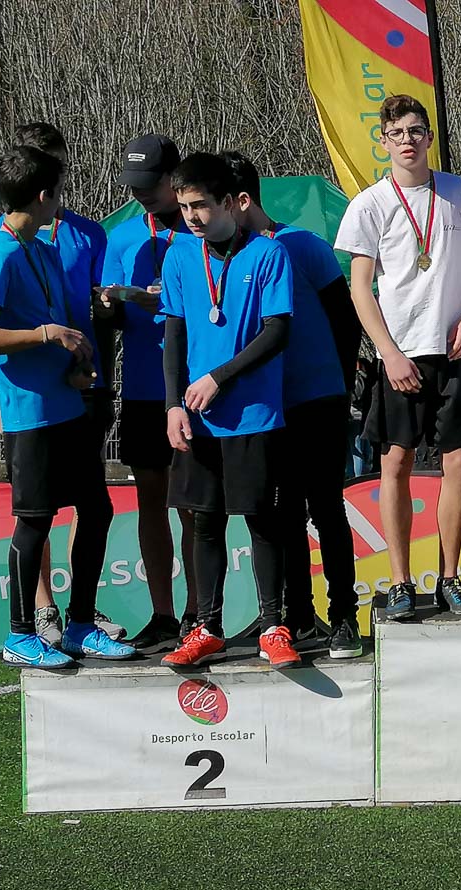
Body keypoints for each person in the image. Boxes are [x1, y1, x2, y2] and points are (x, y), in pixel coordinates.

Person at [0, 146, 135, 667]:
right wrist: (45, 334)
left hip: (67, 403)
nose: (60, 201)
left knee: (97, 509)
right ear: (43, 196)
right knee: (35, 521)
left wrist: (76, 363)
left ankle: (81, 624)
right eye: (58, 192)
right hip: (29, 412)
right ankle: (20, 634)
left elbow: (64, 322)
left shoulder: (42, 249)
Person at [335, 94, 461, 620]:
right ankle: (400, 581)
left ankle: (450, 576)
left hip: (454, 348)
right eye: (397, 133)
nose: (407, 140)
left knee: (458, 462)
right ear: (383, 141)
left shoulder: (458, 192)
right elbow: (360, 288)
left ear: (429, 137)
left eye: (416, 131)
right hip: (399, 354)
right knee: (395, 461)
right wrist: (388, 353)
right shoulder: (369, 204)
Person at [158, 152, 300, 670]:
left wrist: (219, 377)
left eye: (200, 206)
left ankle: (273, 625)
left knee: (262, 520)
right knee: (204, 521)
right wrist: (173, 404)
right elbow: (174, 334)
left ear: (229, 202)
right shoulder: (179, 255)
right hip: (197, 416)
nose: (192, 217)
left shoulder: (268, 253)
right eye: (184, 207)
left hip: (254, 414)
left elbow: (277, 332)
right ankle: (207, 627)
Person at [223, 150, 363, 659]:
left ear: (241, 201)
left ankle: (344, 616)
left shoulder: (302, 245)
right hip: (264, 407)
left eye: (216, 202)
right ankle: (295, 616)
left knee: (325, 507)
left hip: (318, 398)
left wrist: (338, 389)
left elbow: (345, 322)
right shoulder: (226, 259)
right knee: (280, 514)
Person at [98, 134, 198, 651]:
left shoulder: (201, 228)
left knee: (194, 505)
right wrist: (113, 304)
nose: (141, 194)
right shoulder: (122, 238)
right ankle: (163, 614)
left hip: (194, 387)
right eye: (133, 185)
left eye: (150, 184)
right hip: (142, 387)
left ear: (173, 178)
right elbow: (112, 317)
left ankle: (200, 612)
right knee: (151, 500)